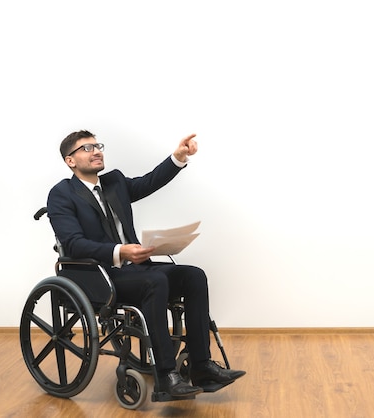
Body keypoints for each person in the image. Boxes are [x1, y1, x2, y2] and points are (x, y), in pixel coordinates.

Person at [47, 130, 245, 398]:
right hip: (97, 276)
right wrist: (120, 251)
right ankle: (166, 377)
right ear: (70, 161)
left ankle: (201, 366)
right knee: (156, 280)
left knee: (194, 276)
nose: (96, 151)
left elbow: (148, 182)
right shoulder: (61, 194)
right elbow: (73, 244)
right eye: (87, 148)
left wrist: (178, 157)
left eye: (98, 146)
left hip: (135, 269)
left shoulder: (114, 182)